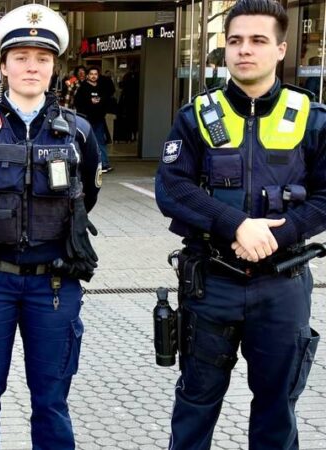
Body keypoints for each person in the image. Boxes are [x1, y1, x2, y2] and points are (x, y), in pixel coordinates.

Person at [155, 1, 324, 448]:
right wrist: (236, 225)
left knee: (277, 410)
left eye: (257, 41)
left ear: (281, 49)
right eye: (234, 41)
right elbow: (172, 188)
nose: (244, 50)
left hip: (282, 285)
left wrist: (275, 234)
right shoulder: (195, 116)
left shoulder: (312, 117)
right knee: (195, 405)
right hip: (211, 283)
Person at [0, 4, 101, 449]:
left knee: (51, 400)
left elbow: (87, 195)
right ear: (4, 65)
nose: (32, 66)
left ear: (54, 66)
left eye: (42, 58)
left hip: (54, 283)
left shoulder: (79, 132)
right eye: (22, 57)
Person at [75, 66, 114, 173]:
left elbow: (106, 101)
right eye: (91, 74)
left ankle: (104, 164)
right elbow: (78, 103)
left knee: (100, 141)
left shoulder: (101, 87)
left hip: (99, 119)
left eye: (95, 74)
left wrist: (102, 109)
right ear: (87, 75)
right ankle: (87, 164)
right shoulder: (83, 87)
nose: (93, 76)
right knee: (87, 142)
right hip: (87, 119)